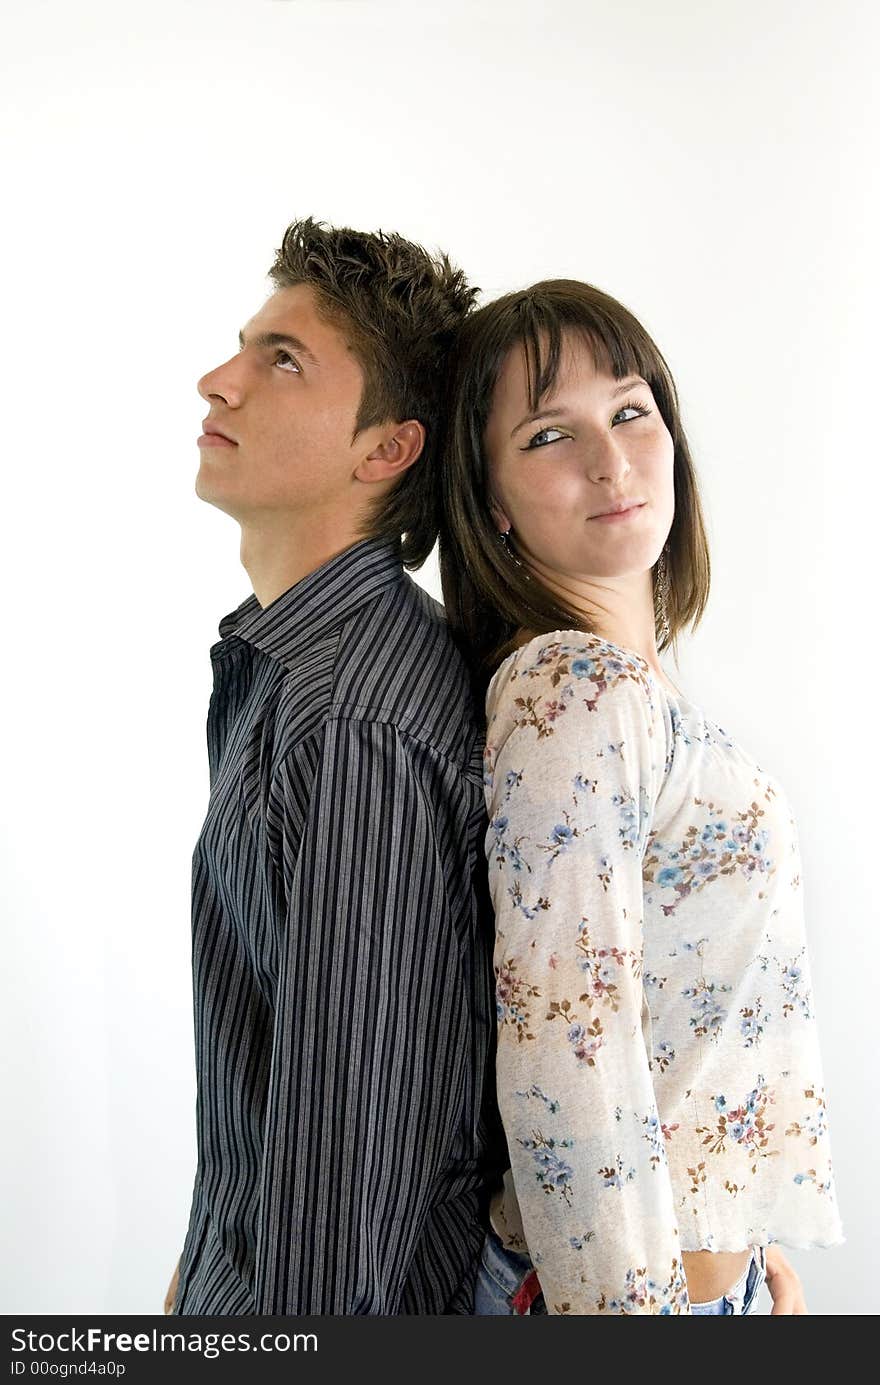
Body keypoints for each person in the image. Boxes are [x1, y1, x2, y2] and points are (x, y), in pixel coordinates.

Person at [437, 277, 844, 1315]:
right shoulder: (575, 689)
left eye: (629, 410)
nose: (610, 459)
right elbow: (568, 1057)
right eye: (546, 435)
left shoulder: (633, 684)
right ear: (489, 500)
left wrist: (745, 1262)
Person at [165, 217, 505, 1315]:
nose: (219, 382)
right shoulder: (293, 668)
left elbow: (339, 1183)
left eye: (282, 359)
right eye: (244, 345)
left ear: (386, 448)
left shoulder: (355, 723)